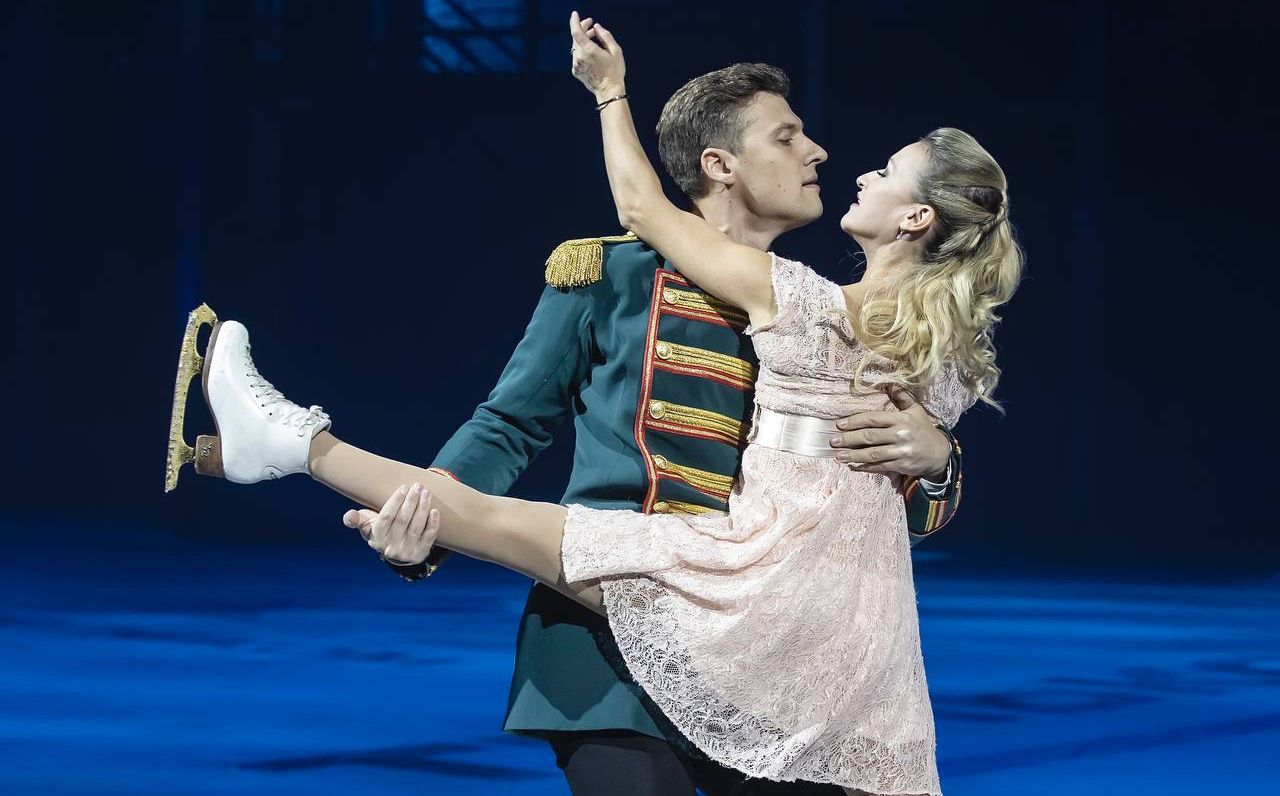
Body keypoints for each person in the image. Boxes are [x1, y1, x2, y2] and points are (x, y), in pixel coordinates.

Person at [164, 14, 1019, 796]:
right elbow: (509, 424)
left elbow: (874, 521)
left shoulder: (828, 310)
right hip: (607, 637)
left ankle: (287, 445)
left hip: (773, 641)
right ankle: (286, 445)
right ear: (720, 164)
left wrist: (939, 462)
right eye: (787, 136)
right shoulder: (610, 274)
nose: (820, 152)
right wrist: (422, 533)